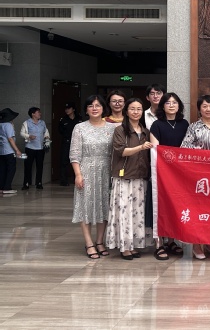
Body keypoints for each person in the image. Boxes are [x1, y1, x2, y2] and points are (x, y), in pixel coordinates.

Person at [71, 95, 117, 259]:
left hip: (106, 171)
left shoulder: (112, 128)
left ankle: (100, 241)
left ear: (104, 108)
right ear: (86, 110)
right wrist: (78, 174)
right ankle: (89, 243)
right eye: (91, 106)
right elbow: (74, 153)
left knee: (104, 205)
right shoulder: (79, 128)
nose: (94, 108)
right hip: (86, 171)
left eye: (98, 105)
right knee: (86, 206)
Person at [106, 98, 152, 260]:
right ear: (126, 111)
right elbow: (121, 151)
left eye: (139, 109)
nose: (136, 112)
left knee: (137, 214)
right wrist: (141, 147)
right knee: (123, 213)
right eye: (132, 109)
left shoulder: (145, 131)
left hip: (140, 176)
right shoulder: (120, 130)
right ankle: (124, 247)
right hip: (124, 176)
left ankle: (134, 245)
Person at [181, 95, 210, 259]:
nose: (208, 109)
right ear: (199, 108)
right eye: (205, 106)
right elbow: (184, 148)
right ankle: (197, 245)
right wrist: (203, 155)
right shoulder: (193, 127)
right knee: (198, 210)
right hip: (197, 175)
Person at [149, 92, 190, 260]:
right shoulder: (156, 125)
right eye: (168, 103)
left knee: (175, 206)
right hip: (162, 172)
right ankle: (159, 243)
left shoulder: (184, 124)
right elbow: (156, 150)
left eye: (174, 102)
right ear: (162, 106)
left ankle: (172, 241)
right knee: (160, 206)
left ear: (179, 106)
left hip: (179, 173)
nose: (171, 105)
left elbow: (187, 147)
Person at [20, 107, 50, 190]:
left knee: (40, 166)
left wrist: (47, 137)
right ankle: (26, 183)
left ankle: (39, 183)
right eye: (38, 112)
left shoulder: (42, 123)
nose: (40, 114)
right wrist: (29, 136)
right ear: (33, 114)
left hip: (40, 148)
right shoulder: (26, 123)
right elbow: (22, 133)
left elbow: (46, 131)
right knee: (28, 166)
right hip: (30, 148)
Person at [59, 103, 82, 186]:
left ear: (73, 109)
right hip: (67, 142)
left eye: (69, 108)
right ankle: (63, 181)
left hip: (77, 143)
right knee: (64, 161)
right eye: (66, 109)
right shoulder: (63, 120)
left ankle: (77, 178)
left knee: (77, 160)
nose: (67, 110)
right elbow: (60, 131)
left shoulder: (79, 119)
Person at [0, 108, 22, 194]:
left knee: (2, 169)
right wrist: (17, 150)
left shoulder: (0, 124)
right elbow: (10, 139)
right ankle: (7, 188)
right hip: (9, 150)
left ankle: (1, 187)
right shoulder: (8, 125)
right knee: (11, 169)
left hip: (1, 151)